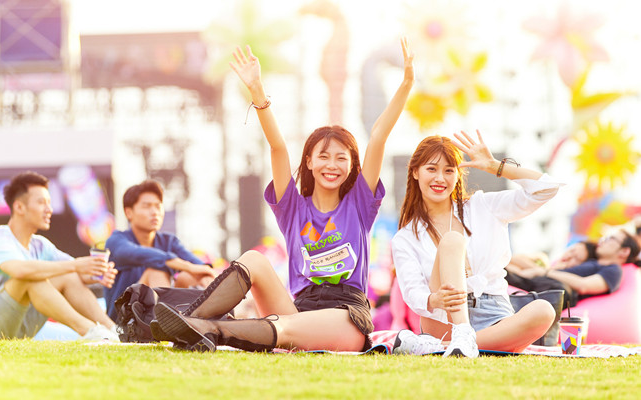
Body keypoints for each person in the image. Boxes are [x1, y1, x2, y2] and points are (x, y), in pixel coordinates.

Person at [150, 38, 414, 353]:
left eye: (342, 158)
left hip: (345, 316)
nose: (332, 165)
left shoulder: (359, 203)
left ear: (352, 166)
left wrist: (406, 84)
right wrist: (258, 92)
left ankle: (204, 329)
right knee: (254, 260)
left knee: (284, 328)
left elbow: (378, 135)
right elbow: (277, 147)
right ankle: (190, 321)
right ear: (309, 162)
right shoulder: (292, 207)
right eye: (324, 156)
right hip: (297, 308)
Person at [391, 133, 563, 357]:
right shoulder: (405, 237)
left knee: (544, 311)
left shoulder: (483, 206)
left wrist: (495, 167)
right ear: (415, 172)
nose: (440, 178)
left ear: (457, 174)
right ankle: (462, 334)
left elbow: (546, 189)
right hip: (443, 318)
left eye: (449, 170)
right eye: (431, 169)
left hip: (495, 314)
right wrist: (434, 299)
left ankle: (442, 348)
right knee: (452, 240)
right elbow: (413, 292)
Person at [0, 172, 120, 341]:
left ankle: (113, 330)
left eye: (49, 202)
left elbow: (73, 274)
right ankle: (90, 331)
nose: (50, 209)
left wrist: (95, 273)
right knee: (29, 277)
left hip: (14, 328)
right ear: (19, 207)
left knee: (65, 274)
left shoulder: (40, 245)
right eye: (42, 203)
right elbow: (20, 271)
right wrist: (76, 265)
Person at [104, 179, 216, 319]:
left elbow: (201, 267)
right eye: (147, 206)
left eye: (158, 206)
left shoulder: (169, 241)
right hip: (124, 319)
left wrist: (201, 272)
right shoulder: (116, 240)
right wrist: (186, 266)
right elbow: (139, 254)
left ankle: (214, 325)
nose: (155, 212)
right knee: (156, 271)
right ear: (129, 213)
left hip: (155, 314)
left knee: (193, 276)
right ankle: (167, 325)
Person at [506, 229, 639, 308]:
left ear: (624, 251)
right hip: (543, 280)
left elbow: (584, 286)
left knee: (562, 290)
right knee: (509, 264)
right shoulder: (592, 260)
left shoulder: (613, 270)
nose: (603, 241)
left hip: (555, 289)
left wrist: (547, 272)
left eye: (611, 239)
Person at [505, 240, 598, 275]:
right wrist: (544, 270)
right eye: (572, 250)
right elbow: (509, 259)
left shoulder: (562, 281)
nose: (569, 256)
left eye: (576, 258)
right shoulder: (542, 259)